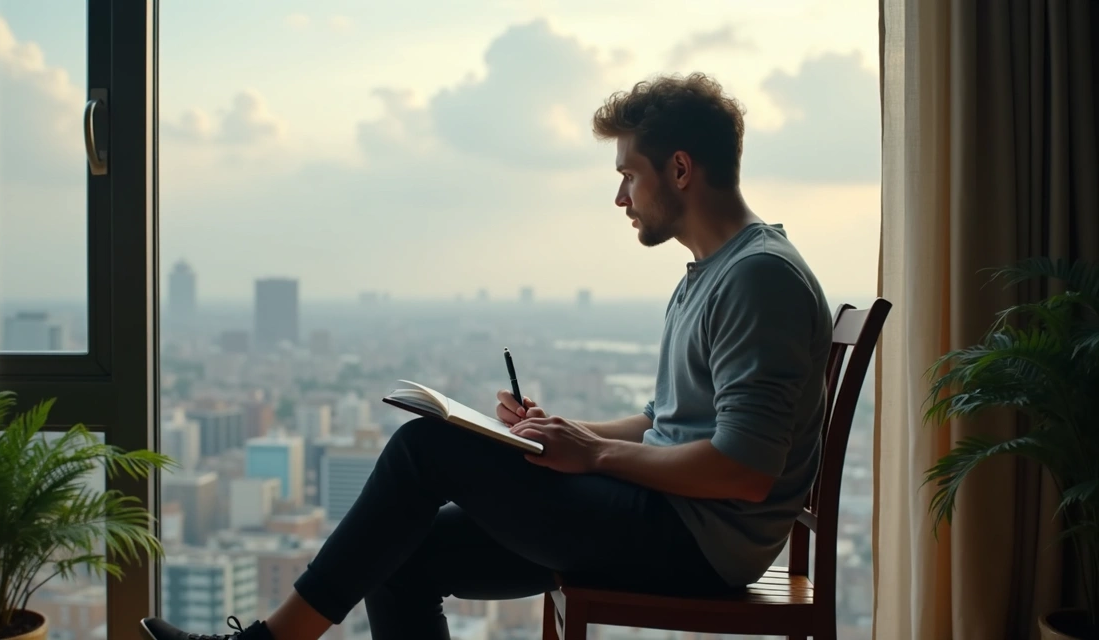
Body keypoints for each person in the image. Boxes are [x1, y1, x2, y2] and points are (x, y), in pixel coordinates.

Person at [140, 72, 834, 640]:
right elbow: (666, 425)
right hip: (670, 519)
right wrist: (560, 432)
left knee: (424, 450)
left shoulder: (755, 278)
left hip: (697, 546)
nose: (619, 195)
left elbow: (742, 470)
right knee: (396, 547)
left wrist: (591, 456)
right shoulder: (713, 274)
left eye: (629, 174)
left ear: (680, 169)